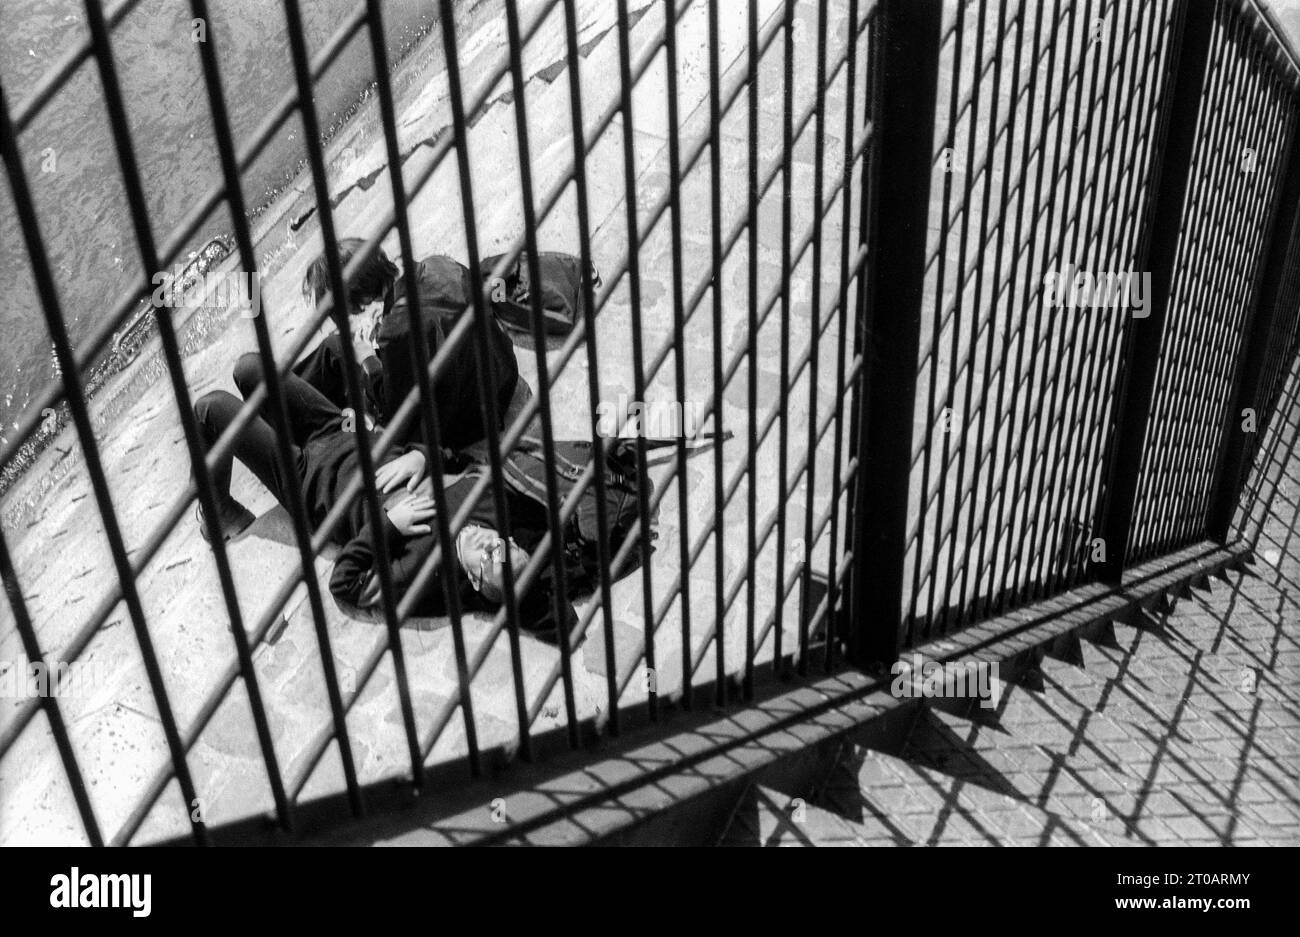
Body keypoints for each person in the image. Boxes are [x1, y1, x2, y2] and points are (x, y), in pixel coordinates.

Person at [295, 239, 520, 453]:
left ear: (359, 297)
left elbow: (393, 406)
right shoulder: (439, 264)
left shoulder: (395, 330)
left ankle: (289, 406)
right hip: (501, 371)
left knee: (336, 347)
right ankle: (293, 402)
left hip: (470, 416)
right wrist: (386, 316)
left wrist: (367, 357)